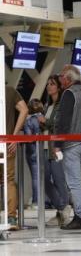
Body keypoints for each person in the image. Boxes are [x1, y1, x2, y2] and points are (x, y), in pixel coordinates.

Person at [54, 65, 81, 230]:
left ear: (68, 79)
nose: (59, 79)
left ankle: (80, 217)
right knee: (77, 181)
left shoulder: (69, 94)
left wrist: (57, 144)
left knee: (74, 182)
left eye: (61, 76)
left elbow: (63, 120)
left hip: (70, 143)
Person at [39, 75, 71, 226]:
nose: (48, 86)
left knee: (59, 179)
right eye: (48, 84)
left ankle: (62, 212)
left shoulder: (61, 105)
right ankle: (62, 206)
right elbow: (46, 126)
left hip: (56, 147)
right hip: (45, 147)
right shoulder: (47, 105)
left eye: (52, 84)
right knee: (44, 179)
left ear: (58, 87)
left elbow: (58, 123)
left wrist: (46, 121)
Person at [3, 86, 28, 230]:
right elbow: (24, 110)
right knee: (8, 179)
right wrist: (14, 135)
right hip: (7, 142)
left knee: (8, 179)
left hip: (6, 142)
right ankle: (11, 218)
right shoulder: (9, 90)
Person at [23, 98, 43, 210]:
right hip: (44, 150)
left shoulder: (29, 120)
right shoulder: (43, 118)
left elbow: (29, 138)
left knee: (35, 177)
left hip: (32, 151)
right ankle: (47, 200)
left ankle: (36, 201)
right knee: (46, 177)